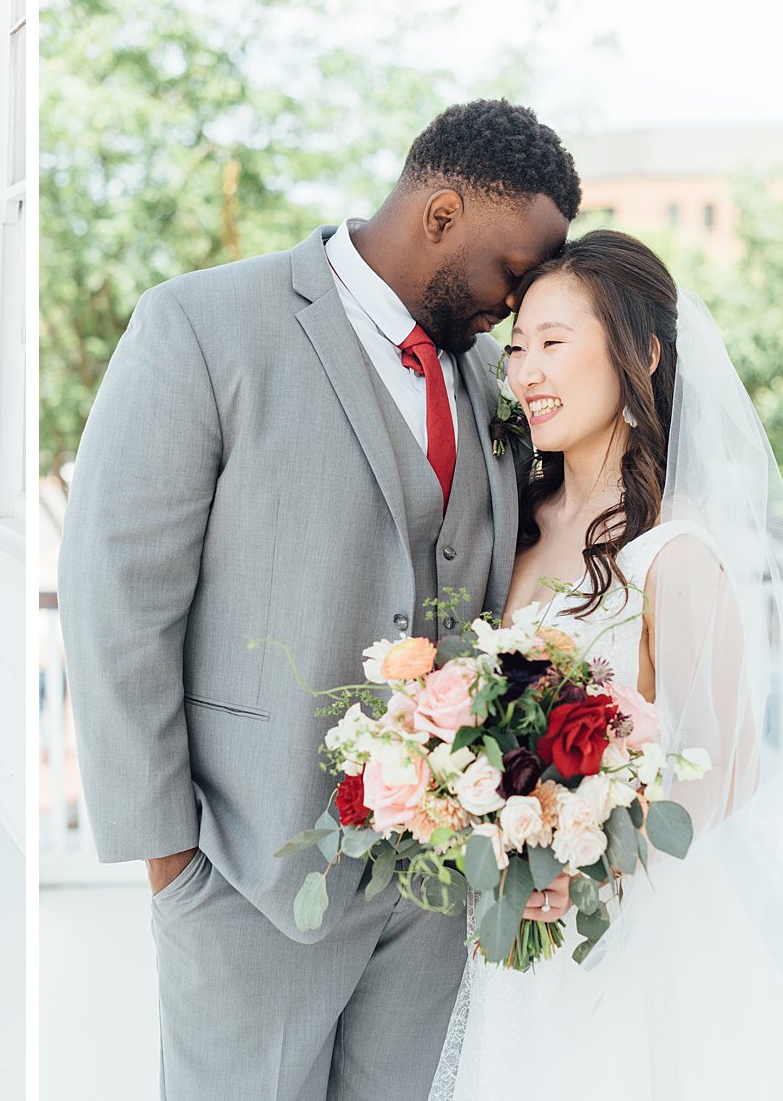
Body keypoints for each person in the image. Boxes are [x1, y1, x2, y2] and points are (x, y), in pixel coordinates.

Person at [58, 100, 578, 1099]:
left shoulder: (483, 374)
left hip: (430, 888)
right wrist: (174, 863)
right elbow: (118, 595)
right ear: (441, 212)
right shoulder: (202, 323)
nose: (514, 307)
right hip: (249, 870)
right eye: (510, 270)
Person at [431, 230, 783, 1099]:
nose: (525, 371)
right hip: (507, 937)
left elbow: (726, 765)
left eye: (554, 343)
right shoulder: (511, 522)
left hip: (625, 936)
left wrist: (590, 861)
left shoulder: (674, 549)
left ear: (643, 353)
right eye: (515, 347)